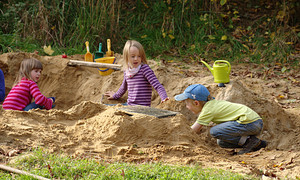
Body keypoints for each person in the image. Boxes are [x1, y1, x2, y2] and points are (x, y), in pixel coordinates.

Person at [174, 84, 267, 155]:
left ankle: (250, 142)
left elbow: (193, 130)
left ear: (196, 103)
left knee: (215, 131)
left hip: (249, 122)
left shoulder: (208, 110)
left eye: (187, 104)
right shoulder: (212, 104)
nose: (186, 107)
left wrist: (179, 136)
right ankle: (255, 144)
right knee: (222, 142)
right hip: (252, 122)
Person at [105, 40, 169, 106]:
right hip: (130, 106)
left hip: (142, 108)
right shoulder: (127, 70)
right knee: (108, 107)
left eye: (139, 56)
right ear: (126, 57)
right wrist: (115, 95)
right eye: (133, 56)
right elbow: (123, 87)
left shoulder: (144, 69)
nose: (136, 59)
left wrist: (164, 98)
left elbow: (157, 85)